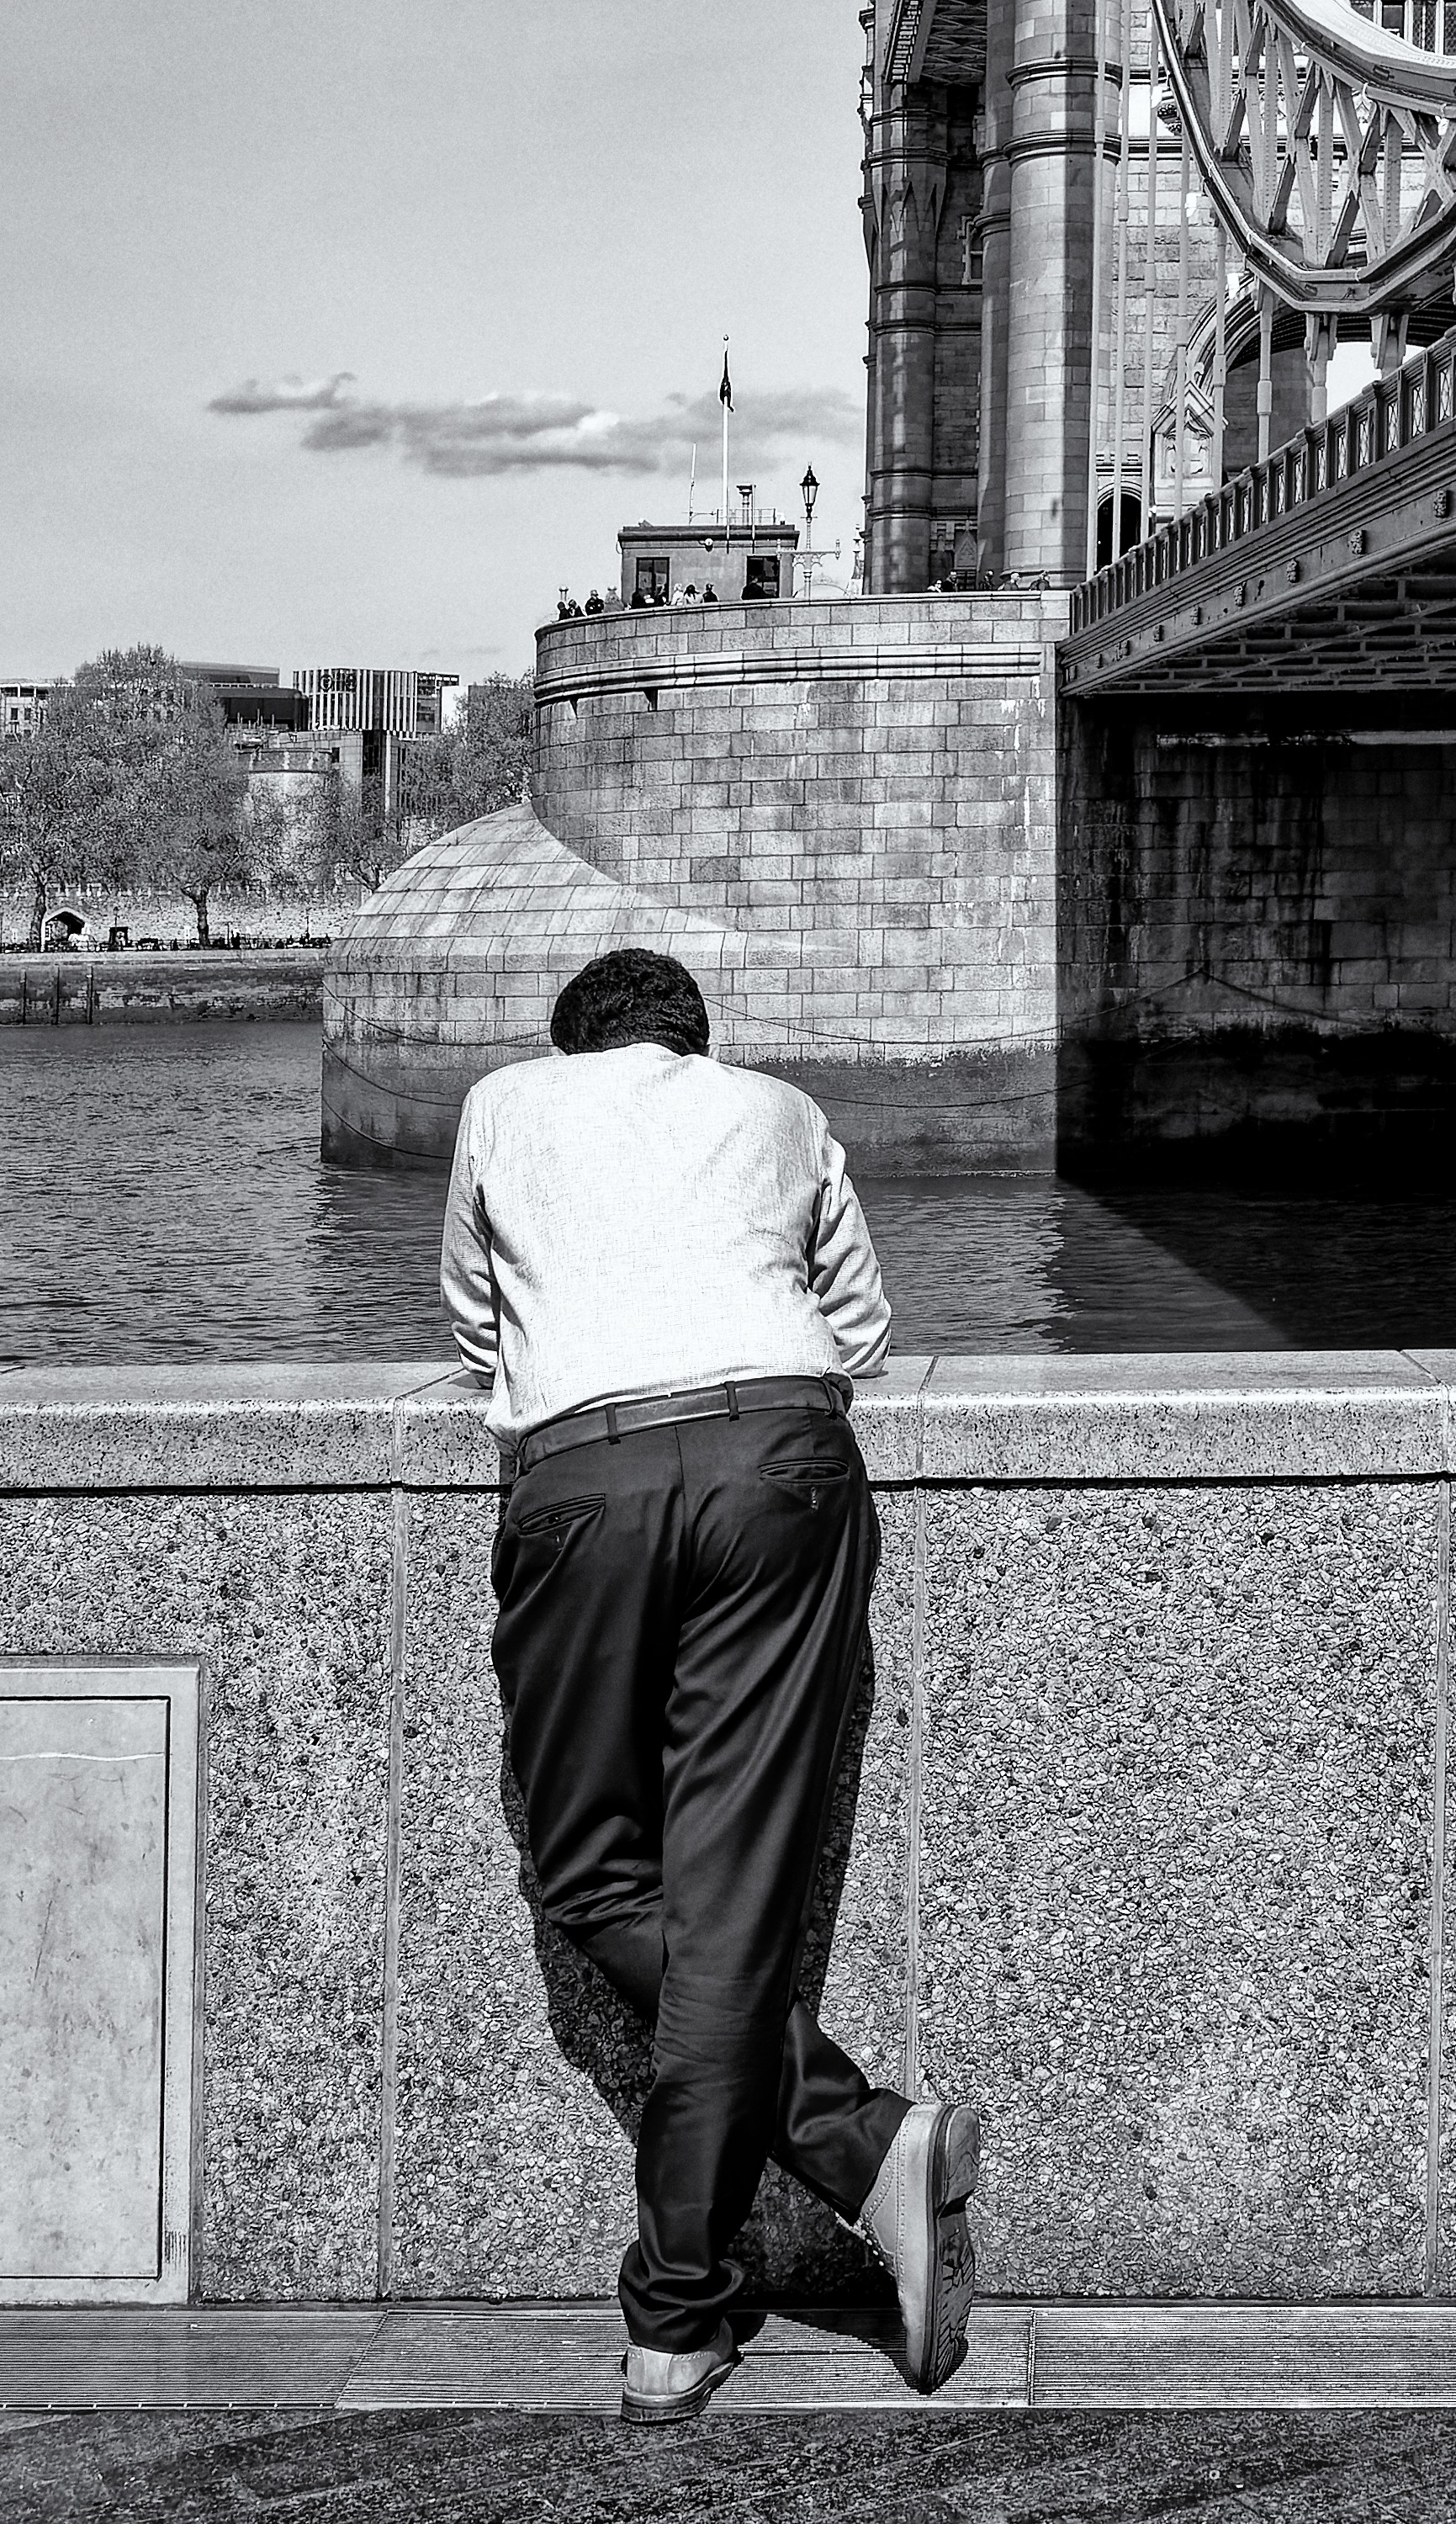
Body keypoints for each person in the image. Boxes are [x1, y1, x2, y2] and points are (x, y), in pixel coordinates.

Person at [441, 944, 978, 2420]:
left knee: (593, 1869)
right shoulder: (785, 1110)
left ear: (568, 1048)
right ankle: (847, 2152)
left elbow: (476, 1322)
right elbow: (860, 1329)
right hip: (777, 1463)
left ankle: (698, 2295)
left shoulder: (500, 1103)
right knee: (734, 1892)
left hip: (581, 1479)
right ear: (696, 1042)